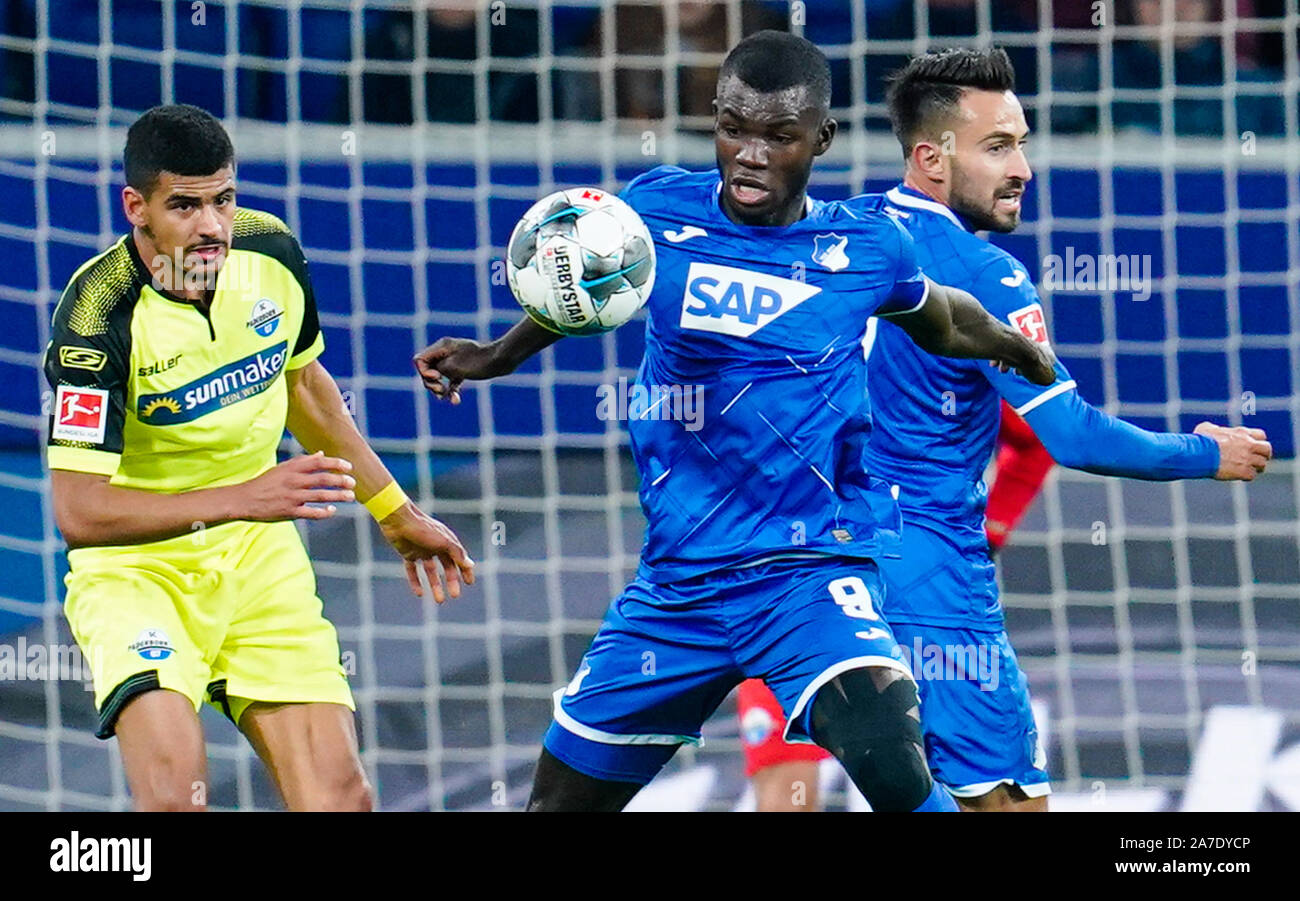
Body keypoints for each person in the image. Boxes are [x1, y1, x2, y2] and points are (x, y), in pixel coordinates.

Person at [415, 31, 1054, 812]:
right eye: (733, 128)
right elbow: (578, 288)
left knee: (893, 758)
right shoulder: (651, 212)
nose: (750, 154)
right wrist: (496, 355)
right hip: (679, 584)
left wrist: (1014, 347)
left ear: (821, 139)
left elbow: (945, 319)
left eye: (778, 136)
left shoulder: (862, 246)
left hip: (808, 575)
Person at [863, 46, 1270, 810]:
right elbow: (1072, 435)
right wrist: (1204, 452)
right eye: (998, 147)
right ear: (930, 157)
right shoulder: (982, 272)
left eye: (1022, 141)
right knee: (1009, 803)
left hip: (809, 558)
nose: (1024, 168)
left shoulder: (841, 233)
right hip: (928, 573)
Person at [43, 104, 475, 811]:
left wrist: (394, 511)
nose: (211, 225)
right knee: (175, 801)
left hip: (257, 562)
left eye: (223, 199)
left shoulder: (270, 251)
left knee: (341, 799)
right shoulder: (96, 316)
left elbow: (305, 387)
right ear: (136, 207)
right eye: (184, 205)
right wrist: (245, 497)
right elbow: (78, 512)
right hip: (137, 575)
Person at [735, 403, 1056, 811]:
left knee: (983, 793)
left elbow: (1038, 435)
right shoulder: (789, 352)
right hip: (799, 590)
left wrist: (990, 530)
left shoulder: (936, 349)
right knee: (787, 795)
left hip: (906, 603)